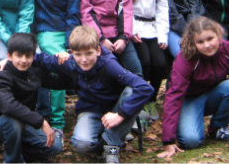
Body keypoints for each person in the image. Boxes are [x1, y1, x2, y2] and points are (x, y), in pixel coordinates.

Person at [31, 26, 154, 163]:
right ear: (72, 53)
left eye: (89, 53)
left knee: (131, 91)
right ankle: (105, 139)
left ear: (98, 50)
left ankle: (112, 147)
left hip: (115, 108)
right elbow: (42, 59)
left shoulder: (108, 64)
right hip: (91, 109)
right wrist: (12, 60)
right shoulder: (71, 62)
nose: (84, 59)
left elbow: (144, 87)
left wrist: (120, 115)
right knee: (81, 143)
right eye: (78, 54)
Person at [158, 16, 229, 159]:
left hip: (215, 94)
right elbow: (174, 96)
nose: (207, 45)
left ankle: (218, 127)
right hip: (189, 99)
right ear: (193, 42)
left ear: (218, 35)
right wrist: (168, 140)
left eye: (210, 39)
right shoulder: (185, 58)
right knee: (190, 141)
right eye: (200, 42)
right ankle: (186, 124)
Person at [26, 0, 80, 132]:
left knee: (59, 63)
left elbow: (73, 14)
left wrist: (69, 44)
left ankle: (57, 119)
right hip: (44, 30)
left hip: (63, 31)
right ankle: (44, 113)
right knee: (53, 63)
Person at [0, 33, 64, 163]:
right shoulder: (1, 76)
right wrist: (41, 122)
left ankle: (23, 152)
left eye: (28, 56)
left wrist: (64, 61)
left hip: (25, 121)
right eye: (19, 55)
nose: (23, 60)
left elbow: (57, 82)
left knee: (55, 147)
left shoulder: (33, 71)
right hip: (1, 123)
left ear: (33, 56)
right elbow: (8, 106)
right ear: (9, 56)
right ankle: (13, 160)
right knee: (13, 120)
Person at [122, 0, 169, 120]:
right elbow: (125, 7)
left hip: (154, 27)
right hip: (136, 28)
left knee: (159, 63)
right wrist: (131, 30)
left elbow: (162, 6)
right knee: (145, 63)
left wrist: (163, 33)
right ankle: (139, 102)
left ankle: (151, 99)